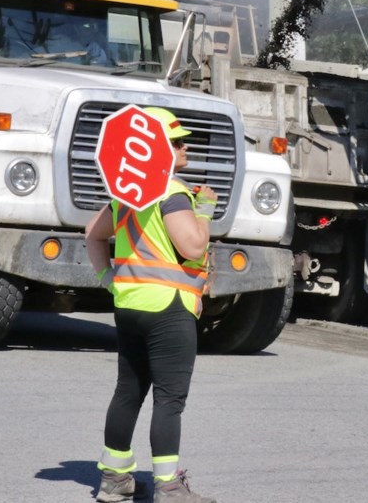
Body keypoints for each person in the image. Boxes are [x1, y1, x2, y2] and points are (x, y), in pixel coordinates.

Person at [85, 106, 218, 503]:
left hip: (129, 306)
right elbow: (193, 245)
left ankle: (115, 479)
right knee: (169, 400)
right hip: (169, 308)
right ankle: (169, 486)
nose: (185, 147)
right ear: (156, 147)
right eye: (177, 142)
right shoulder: (172, 193)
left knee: (128, 391)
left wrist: (107, 279)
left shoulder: (126, 195)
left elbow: (92, 235)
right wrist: (205, 210)